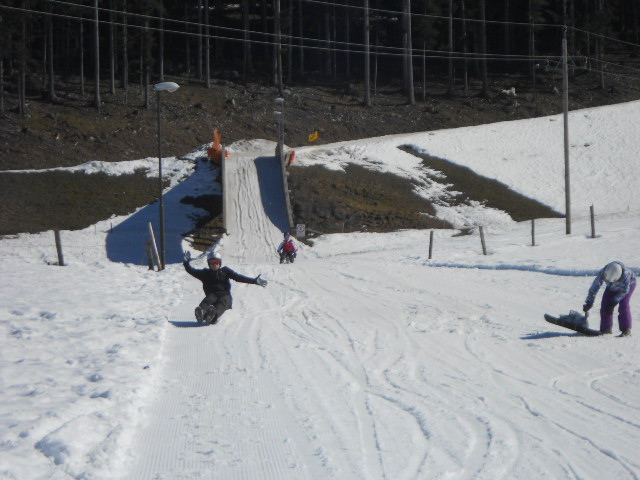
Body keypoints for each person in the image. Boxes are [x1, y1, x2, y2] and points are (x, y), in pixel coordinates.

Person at [183, 251, 267, 324]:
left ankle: (213, 315)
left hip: (225, 296)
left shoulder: (225, 271)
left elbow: (239, 277)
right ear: (209, 264)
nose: (214, 264)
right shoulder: (205, 273)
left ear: (220, 263)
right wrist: (186, 262)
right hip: (213, 295)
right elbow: (192, 271)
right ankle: (201, 311)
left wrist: (254, 281)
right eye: (212, 262)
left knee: (223, 302)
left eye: (216, 262)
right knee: (210, 298)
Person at [583, 261, 636, 336]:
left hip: (629, 285)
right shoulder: (603, 272)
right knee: (605, 304)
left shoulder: (626, 277)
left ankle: (626, 329)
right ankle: (606, 330)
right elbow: (594, 288)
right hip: (612, 286)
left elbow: (624, 291)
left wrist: (614, 302)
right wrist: (589, 302)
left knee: (624, 304)